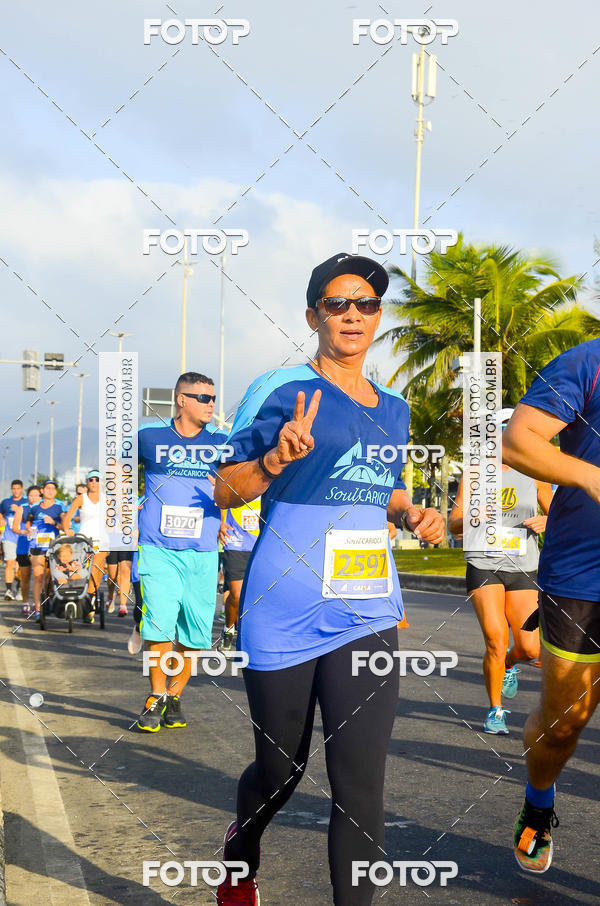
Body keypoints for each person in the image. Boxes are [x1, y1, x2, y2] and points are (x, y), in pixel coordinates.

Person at [214, 252, 444, 906]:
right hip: (283, 605)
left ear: (377, 316)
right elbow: (225, 489)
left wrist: (410, 511)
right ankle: (240, 853)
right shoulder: (281, 388)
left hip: (365, 608)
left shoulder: (395, 407)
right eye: (337, 304)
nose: (352, 315)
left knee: (360, 784)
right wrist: (271, 460)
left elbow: (385, 490)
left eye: (366, 304)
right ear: (314, 314)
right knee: (281, 770)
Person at [502, 338, 600, 873]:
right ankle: (538, 804)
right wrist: (590, 477)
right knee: (565, 723)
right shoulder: (588, 361)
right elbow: (517, 442)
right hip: (583, 574)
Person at [448, 410, 553, 735]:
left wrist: (548, 521)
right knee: (495, 639)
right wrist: (473, 517)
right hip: (484, 562)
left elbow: (557, 514)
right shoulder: (476, 473)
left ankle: (509, 664)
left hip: (523, 565)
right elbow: (454, 525)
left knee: (531, 649)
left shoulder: (535, 472)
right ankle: (496, 710)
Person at [136, 372, 228, 732]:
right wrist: (126, 514)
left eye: (213, 398)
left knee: (194, 635)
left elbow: (236, 491)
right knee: (158, 626)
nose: (211, 405)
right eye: (203, 398)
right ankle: (155, 698)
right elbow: (118, 474)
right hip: (158, 548)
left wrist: (226, 495)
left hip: (203, 551)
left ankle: (174, 695)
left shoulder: (222, 443)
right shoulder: (150, 437)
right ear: (181, 400)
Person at [15, 480, 65, 621]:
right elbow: (29, 522)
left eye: (53, 488)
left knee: (49, 578)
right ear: (42, 491)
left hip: (53, 546)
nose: (50, 491)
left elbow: (65, 527)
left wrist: (54, 523)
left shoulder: (60, 506)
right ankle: (37, 609)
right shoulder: (35, 507)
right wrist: (29, 529)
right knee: (38, 576)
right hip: (37, 546)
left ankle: (47, 600)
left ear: (55, 491)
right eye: (47, 488)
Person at [63, 470, 110, 620]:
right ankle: (83, 598)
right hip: (83, 540)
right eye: (91, 480)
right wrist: (67, 529)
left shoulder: (107, 499)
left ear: (101, 482)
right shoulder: (81, 498)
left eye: (97, 479)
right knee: (82, 571)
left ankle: (89, 600)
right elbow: (67, 517)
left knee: (96, 569)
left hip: (101, 540)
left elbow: (116, 518)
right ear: (87, 482)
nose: (94, 482)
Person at [217, 497, 261, 653]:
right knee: (236, 594)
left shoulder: (272, 478)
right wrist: (220, 523)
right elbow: (221, 499)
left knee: (257, 596)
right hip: (236, 542)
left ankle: (248, 636)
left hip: (261, 543)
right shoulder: (235, 475)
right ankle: (229, 628)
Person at [13, 484, 41, 615]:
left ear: (40, 496)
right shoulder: (22, 508)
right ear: (27, 496)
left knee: (40, 576)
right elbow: (14, 528)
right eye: (31, 495)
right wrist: (24, 531)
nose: (34, 498)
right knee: (25, 577)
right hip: (24, 546)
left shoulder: (43, 508)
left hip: (40, 547)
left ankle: (40, 604)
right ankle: (25, 602)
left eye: (36, 495)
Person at [0, 479, 27, 599]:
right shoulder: (6, 502)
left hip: (22, 537)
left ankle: (20, 588)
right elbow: (0, 513)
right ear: (12, 489)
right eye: (14, 488)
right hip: (9, 536)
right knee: (10, 562)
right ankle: (9, 590)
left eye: (18, 488)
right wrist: (1, 519)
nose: (16, 490)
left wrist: (18, 511)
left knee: (21, 564)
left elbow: (29, 517)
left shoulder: (26, 502)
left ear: (22, 489)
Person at [106, 549, 134, 617]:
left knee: (125, 572)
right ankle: (111, 596)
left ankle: (123, 605)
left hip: (126, 542)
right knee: (112, 575)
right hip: (112, 543)